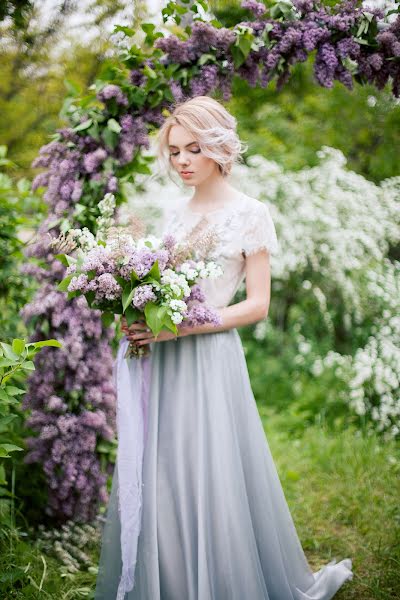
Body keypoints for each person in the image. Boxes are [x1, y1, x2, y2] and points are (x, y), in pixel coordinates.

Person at [94, 96, 353, 599]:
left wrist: (182, 328)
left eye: (193, 148)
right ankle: (170, 579)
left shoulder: (250, 214)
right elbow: (158, 289)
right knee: (164, 470)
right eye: (174, 151)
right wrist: (136, 315)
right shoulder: (172, 215)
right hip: (163, 361)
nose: (183, 160)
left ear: (218, 147)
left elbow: (256, 305)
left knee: (211, 467)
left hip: (209, 357)